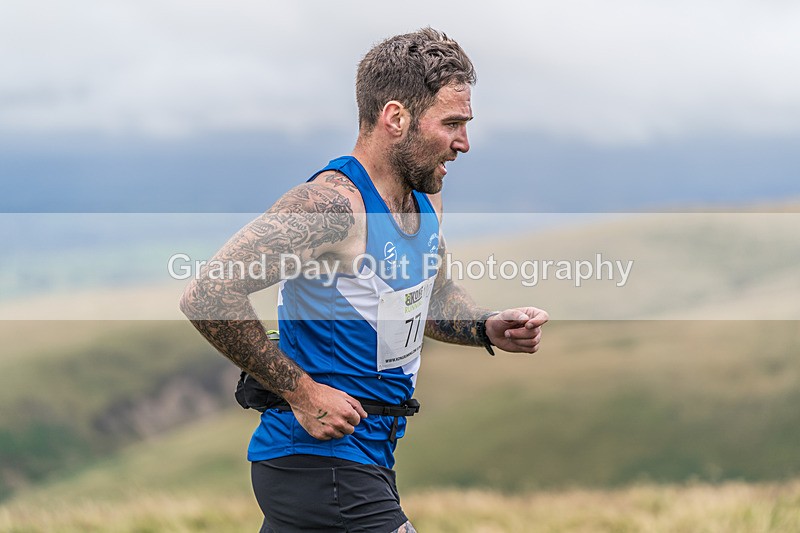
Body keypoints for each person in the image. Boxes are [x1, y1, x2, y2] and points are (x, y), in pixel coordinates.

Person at [180, 27, 548, 533]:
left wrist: (486, 327)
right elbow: (208, 292)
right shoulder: (334, 204)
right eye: (453, 124)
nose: (464, 143)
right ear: (396, 117)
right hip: (317, 460)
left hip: (370, 455)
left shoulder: (426, 196)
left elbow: (432, 296)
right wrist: (304, 393)